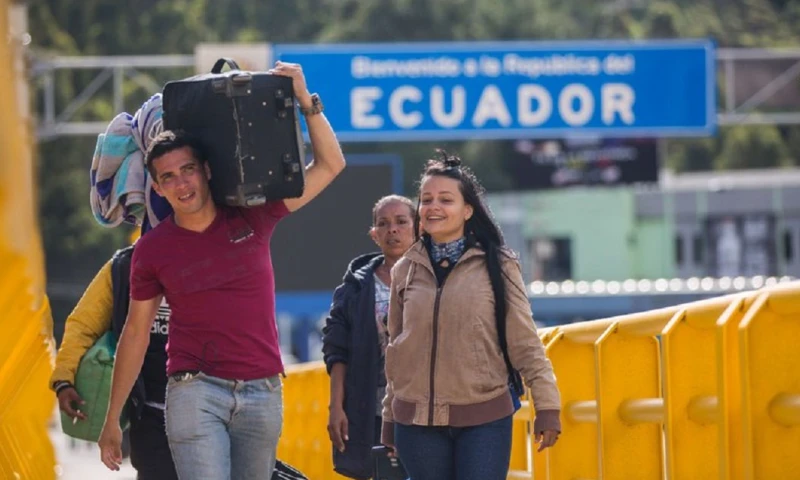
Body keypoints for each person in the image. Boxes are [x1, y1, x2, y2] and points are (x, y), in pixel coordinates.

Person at [98, 61, 346, 480]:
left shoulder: (253, 216)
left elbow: (331, 165)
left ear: (207, 170)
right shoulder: (152, 249)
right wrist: (111, 420)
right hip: (194, 390)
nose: (181, 184)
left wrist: (306, 100)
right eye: (168, 177)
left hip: (262, 390)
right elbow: (136, 332)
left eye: (188, 170)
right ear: (157, 187)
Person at [380, 151, 562, 480]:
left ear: (468, 210)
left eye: (445, 200)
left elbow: (524, 342)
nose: (433, 207)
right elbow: (397, 350)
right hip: (416, 423)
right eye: (426, 200)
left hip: (485, 419)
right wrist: (389, 416)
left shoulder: (499, 264)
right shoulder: (404, 269)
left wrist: (547, 406)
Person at [52, 244, 178, 480]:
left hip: (209, 410)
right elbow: (83, 326)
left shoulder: (216, 256)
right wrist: (64, 379)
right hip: (150, 414)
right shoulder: (122, 267)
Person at [322, 195, 417, 479]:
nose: (393, 229)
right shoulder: (354, 288)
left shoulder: (436, 279)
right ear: (374, 234)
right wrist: (336, 407)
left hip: (426, 409)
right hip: (372, 411)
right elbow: (337, 351)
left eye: (401, 222)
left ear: (418, 227)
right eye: (383, 224)